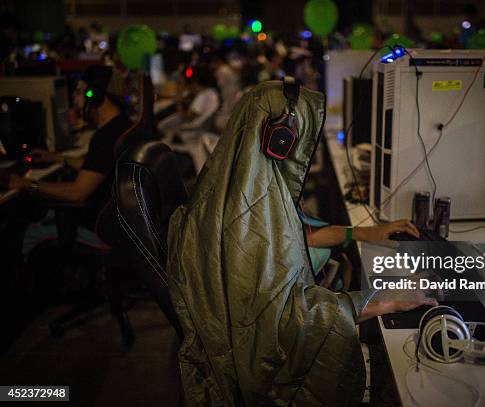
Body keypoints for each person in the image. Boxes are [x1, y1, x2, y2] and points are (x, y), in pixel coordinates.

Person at [167, 80, 435, 406]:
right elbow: (285, 326)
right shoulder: (246, 218)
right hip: (262, 368)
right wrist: (382, 302)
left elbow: (298, 237)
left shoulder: (244, 182)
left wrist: (363, 233)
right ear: (278, 139)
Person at [0, 65, 132, 230]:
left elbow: (78, 193)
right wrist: (58, 158)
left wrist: (25, 184)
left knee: (26, 230)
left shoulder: (106, 136)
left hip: (99, 229)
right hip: (118, 224)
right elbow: (98, 166)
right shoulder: (123, 125)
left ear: (95, 96)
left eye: (78, 92)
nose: (74, 99)